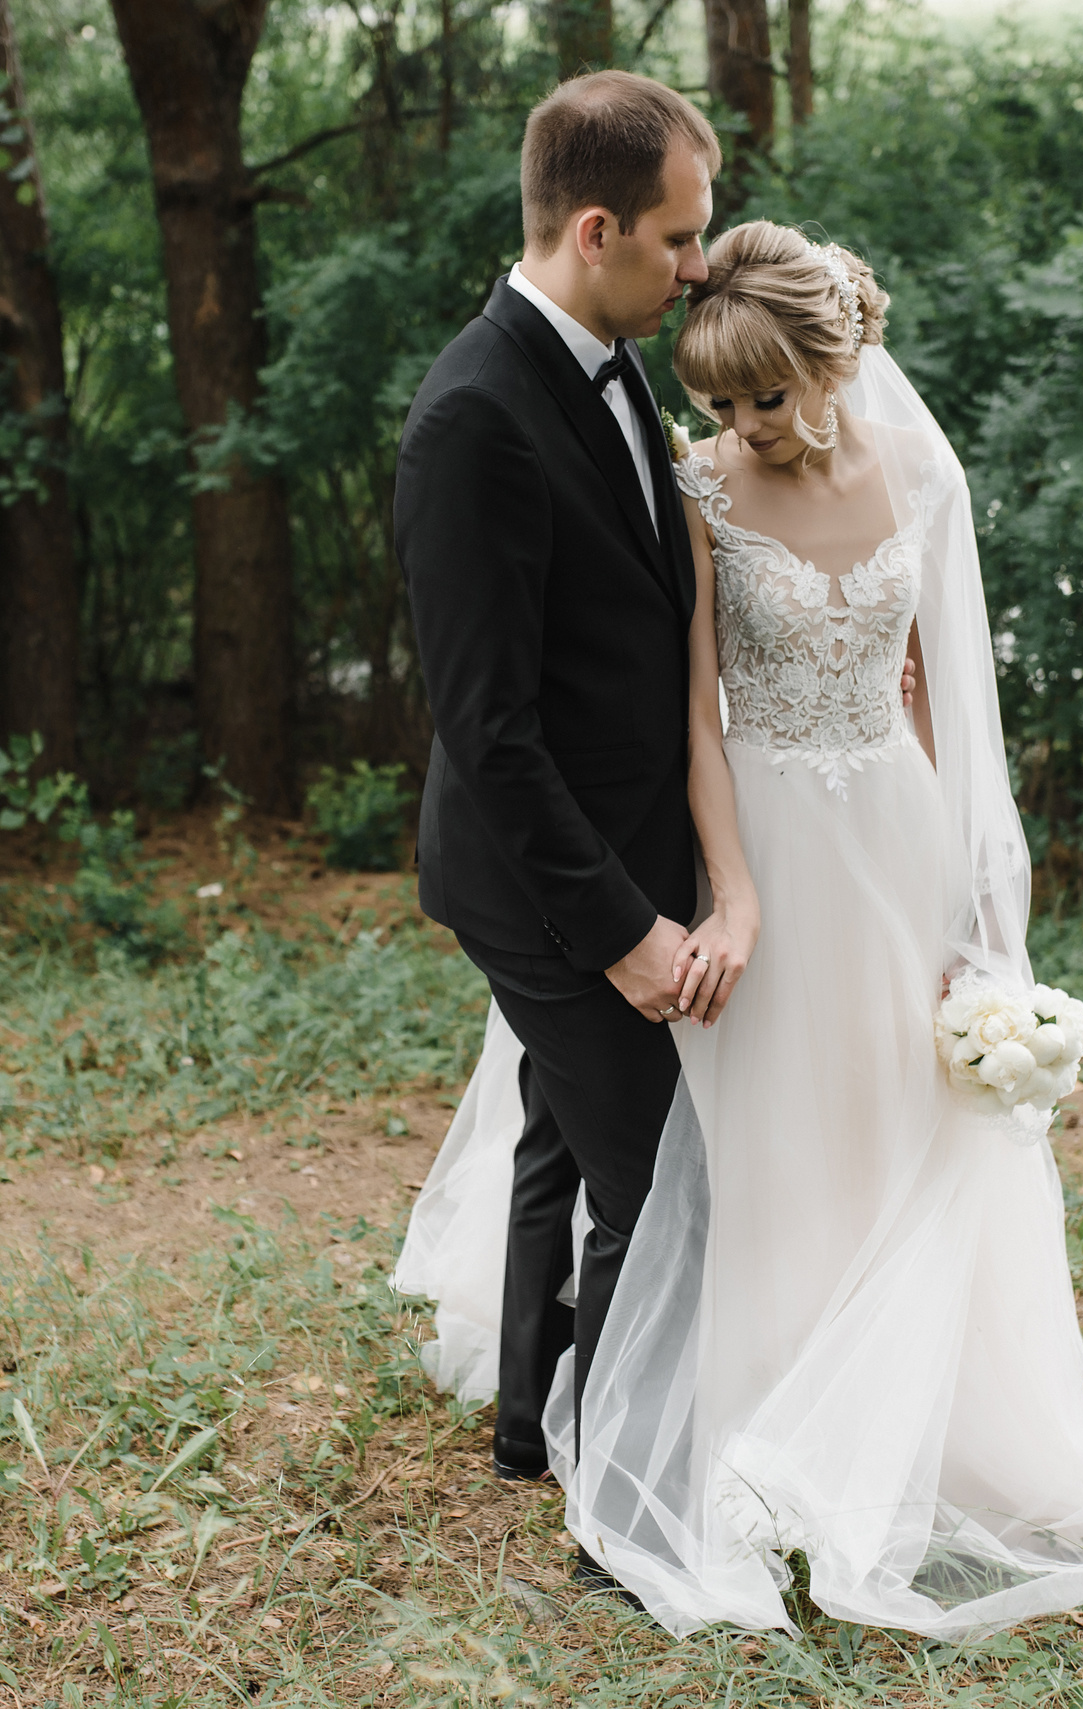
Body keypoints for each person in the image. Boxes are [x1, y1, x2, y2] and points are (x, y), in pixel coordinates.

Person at [396, 219, 1083, 1638]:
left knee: (887, 1115)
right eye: (719, 402)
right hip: (759, 827)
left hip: (893, 836)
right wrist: (735, 889)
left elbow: (940, 700)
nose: (745, 426)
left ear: (837, 360)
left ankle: (905, 1411)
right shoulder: (701, 488)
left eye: (766, 397)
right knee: (755, 1125)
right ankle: (753, 1409)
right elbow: (698, 722)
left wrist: (972, 912)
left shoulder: (923, 473)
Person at [391, 70, 718, 1591]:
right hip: (542, 881)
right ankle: (631, 1520)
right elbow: (491, 732)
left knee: (553, 1138)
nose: (696, 265)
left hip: (620, 835)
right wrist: (632, 932)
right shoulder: (472, 416)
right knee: (661, 1176)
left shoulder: (607, 350)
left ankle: (533, 1417)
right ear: (595, 230)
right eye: (675, 238)